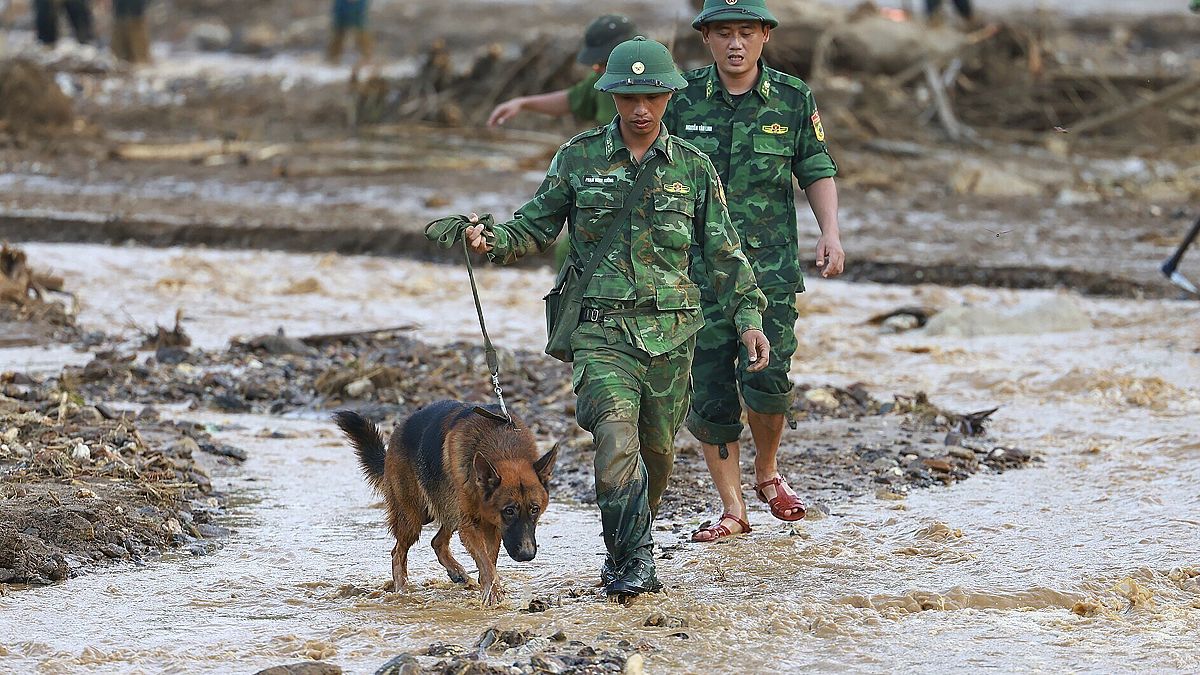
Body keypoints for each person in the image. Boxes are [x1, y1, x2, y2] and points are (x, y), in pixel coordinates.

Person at [457, 37, 770, 598]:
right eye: (629, 96)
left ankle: (629, 545)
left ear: (670, 96)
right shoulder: (578, 157)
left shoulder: (694, 169)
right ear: (612, 96)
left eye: (652, 95)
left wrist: (749, 317)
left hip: (673, 338)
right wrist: (492, 241)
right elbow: (533, 225)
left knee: (655, 455)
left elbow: (724, 253)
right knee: (615, 445)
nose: (641, 109)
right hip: (602, 333)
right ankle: (631, 572)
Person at [664, 0, 845, 543]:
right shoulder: (681, 97)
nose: (735, 44)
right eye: (724, 33)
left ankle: (767, 473)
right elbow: (647, 164)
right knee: (712, 387)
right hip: (696, 272)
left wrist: (830, 233)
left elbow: (815, 165)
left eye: (746, 32)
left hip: (768, 270)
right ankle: (733, 508)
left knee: (768, 380)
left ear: (765, 35)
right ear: (707, 39)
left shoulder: (792, 99)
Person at [487, 14, 635, 129]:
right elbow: (571, 100)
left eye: (604, 64)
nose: (599, 71)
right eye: (596, 65)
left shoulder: (655, 84)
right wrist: (522, 103)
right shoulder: (602, 81)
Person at [327, 0, 373, 65]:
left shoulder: (362, 2)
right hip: (341, 20)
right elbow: (336, 11)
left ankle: (367, 58)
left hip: (358, 20)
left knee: (364, 37)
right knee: (337, 38)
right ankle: (332, 59)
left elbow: (363, 12)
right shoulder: (340, 2)